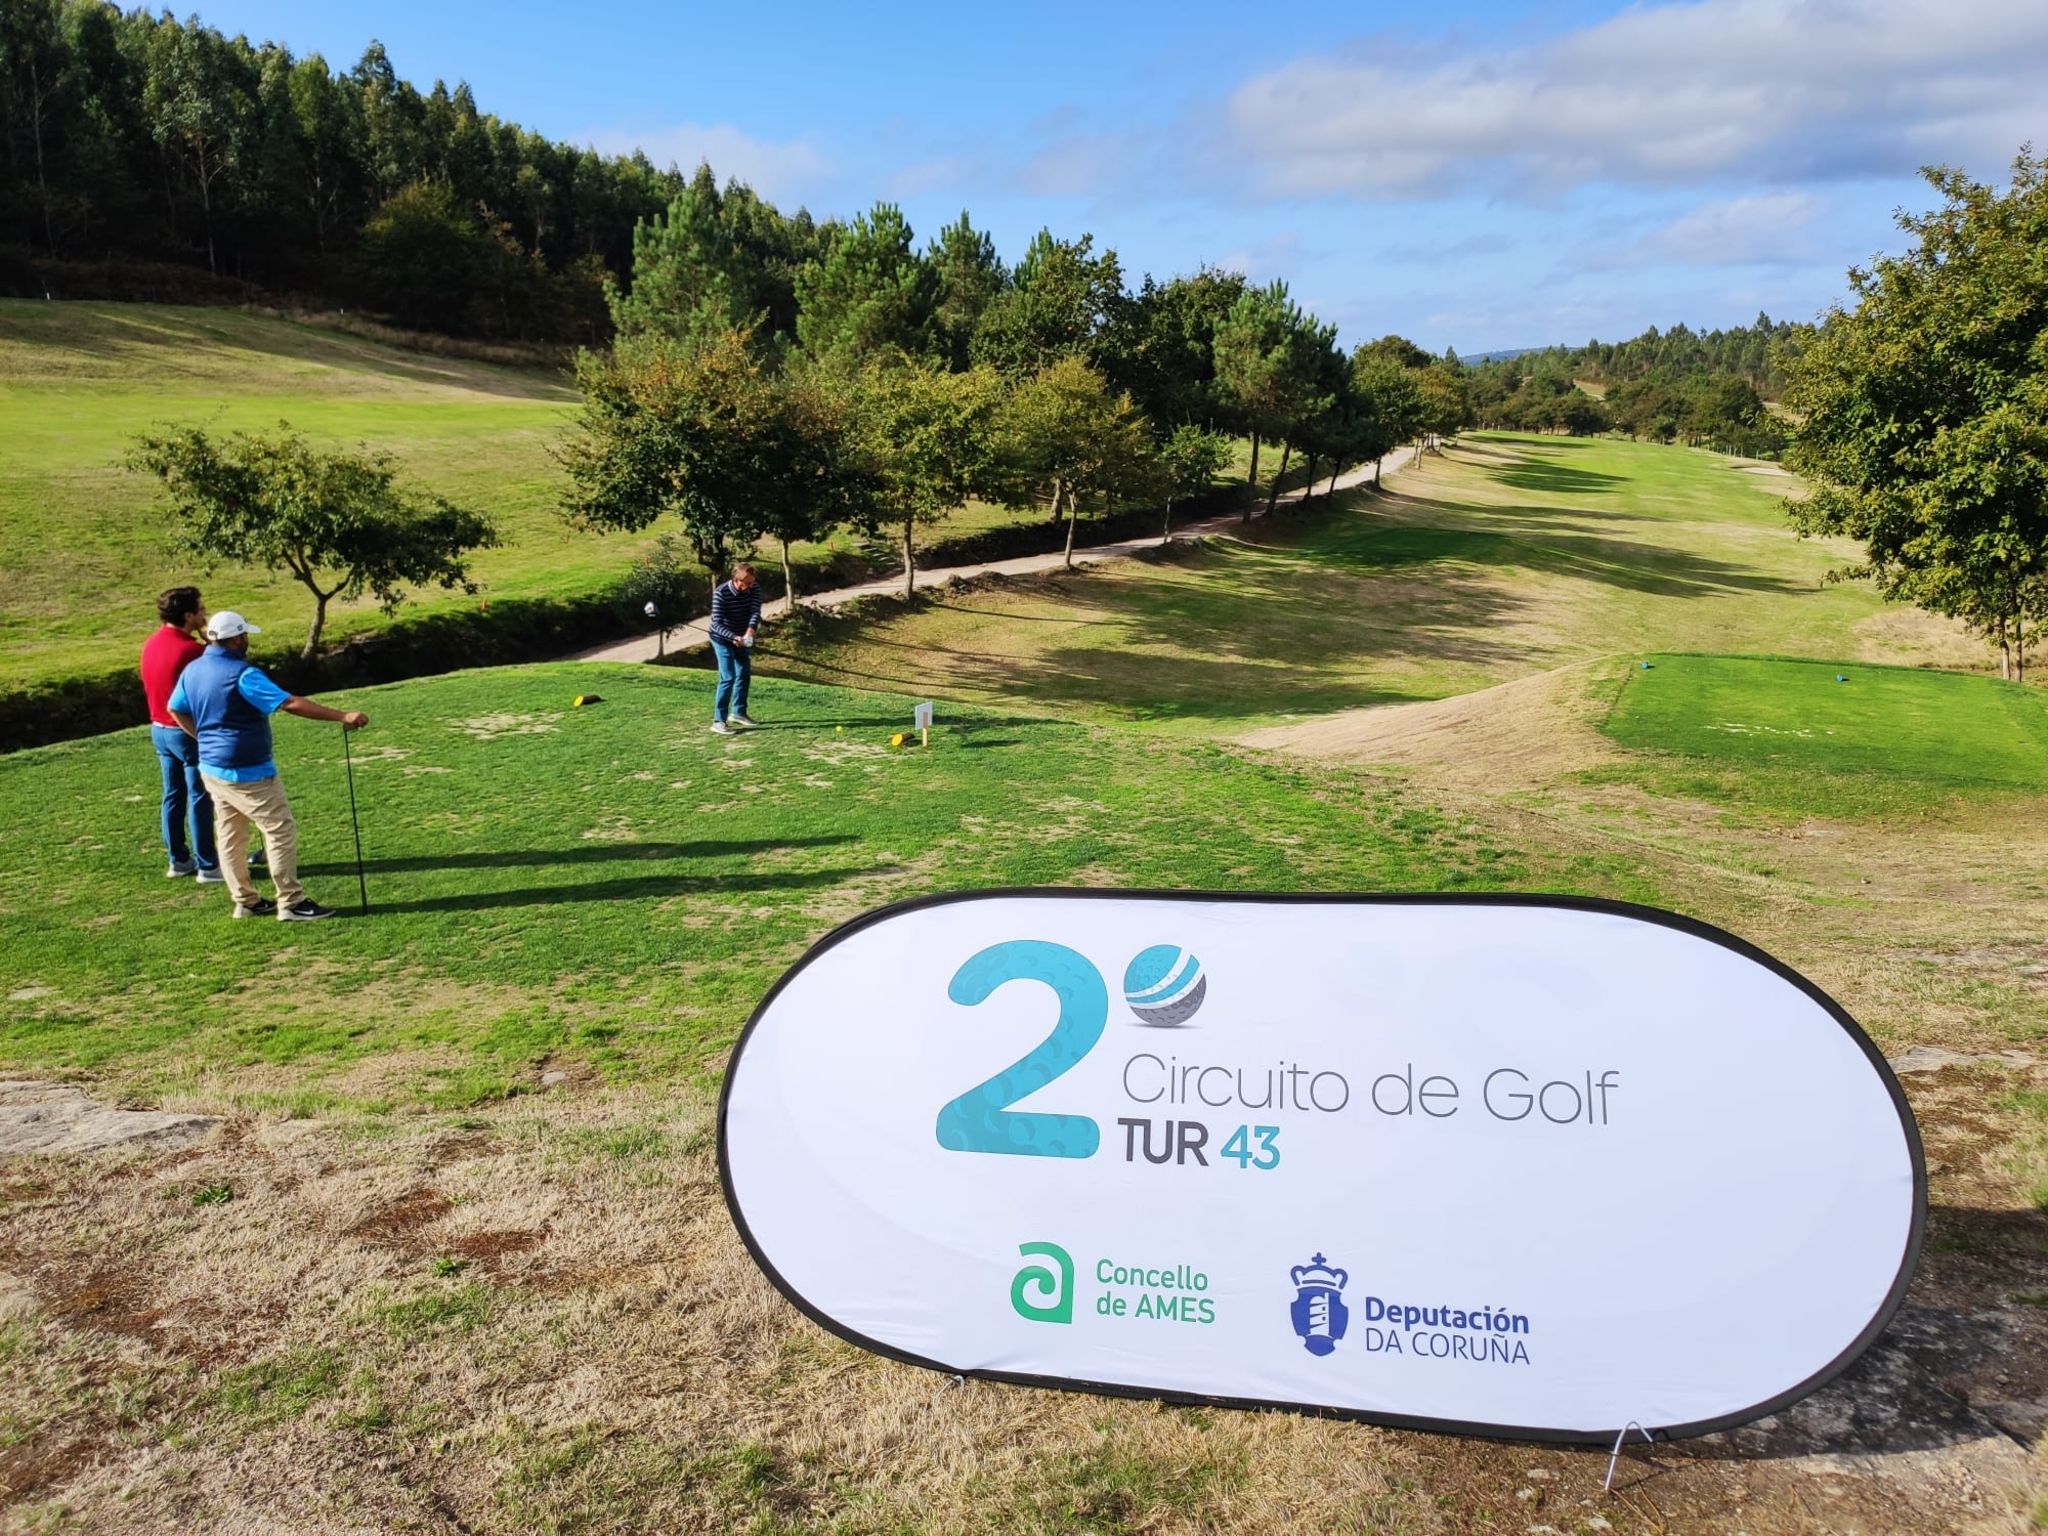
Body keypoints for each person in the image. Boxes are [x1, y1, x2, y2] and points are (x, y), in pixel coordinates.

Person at [166, 611, 368, 921]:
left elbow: (175, 708)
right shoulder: (242, 674)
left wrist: (203, 738)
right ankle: (292, 902)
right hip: (247, 770)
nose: (247, 639)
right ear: (236, 638)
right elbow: (289, 703)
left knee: (231, 833)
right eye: (245, 635)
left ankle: (246, 901)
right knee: (279, 829)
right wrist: (342, 716)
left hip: (212, 767)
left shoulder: (194, 669)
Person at [141, 586, 219, 881]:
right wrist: (209, 638)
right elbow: (220, 664)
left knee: (173, 795)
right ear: (188, 615)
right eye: (200, 609)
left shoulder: (151, 643)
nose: (204, 612)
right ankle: (208, 866)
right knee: (200, 796)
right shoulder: (192, 651)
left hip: (159, 730)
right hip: (186, 731)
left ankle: (179, 860)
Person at [708, 563, 762, 734]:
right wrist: (733, 637)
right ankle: (718, 721)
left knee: (744, 673)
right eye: (747, 583)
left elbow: (755, 612)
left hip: (742, 636)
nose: (751, 586)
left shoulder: (754, 588)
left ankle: (738, 713)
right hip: (722, 639)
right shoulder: (721, 593)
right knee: (728, 677)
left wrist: (749, 634)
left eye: (752, 582)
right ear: (736, 580)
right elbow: (716, 624)